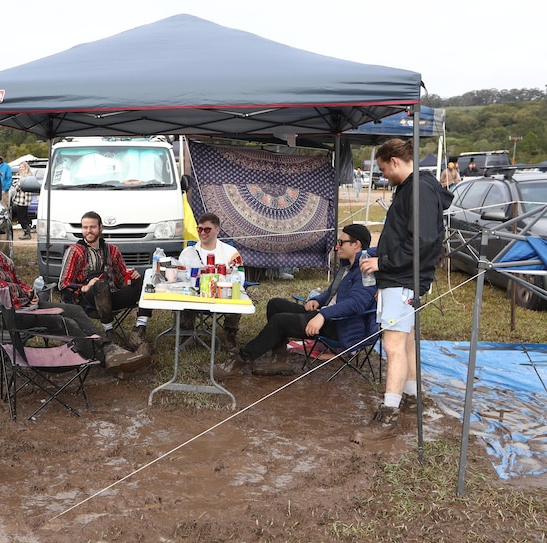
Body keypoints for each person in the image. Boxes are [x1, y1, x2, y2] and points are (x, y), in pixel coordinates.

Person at [0, 219, 150, 372]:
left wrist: (30, 294)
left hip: (24, 307)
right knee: (64, 321)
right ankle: (106, 357)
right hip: (3, 315)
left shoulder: (2, 259)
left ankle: (107, 348)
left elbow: (18, 282)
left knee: (74, 310)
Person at [355, 138, 453, 443]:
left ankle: (388, 416)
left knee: (394, 347)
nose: (384, 177)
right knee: (406, 342)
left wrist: (382, 263)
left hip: (403, 279)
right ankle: (412, 398)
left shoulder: (419, 189)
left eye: (384, 170)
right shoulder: (412, 188)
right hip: (398, 279)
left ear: (395, 161)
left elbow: (422, 241)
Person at [214, 224, 377, 378]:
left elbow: (357, 303)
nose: (337, 246)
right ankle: (279, 359)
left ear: (356, 244)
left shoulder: (365, 271)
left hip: (340, 324)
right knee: (275, 304)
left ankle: (238, 362)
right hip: (327, 315)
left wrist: (322, 315)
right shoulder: (347, 267)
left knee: (281, 321)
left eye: (342, 242)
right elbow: (332, 292)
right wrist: (318, 301)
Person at [58, 211, 151, 351]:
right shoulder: (75, 251)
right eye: (85, 227)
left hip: (113, 297)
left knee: (147, 278)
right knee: (100, 284)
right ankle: (109, 330)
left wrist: (132, 277)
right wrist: (84, 287)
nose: (88, 231)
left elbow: (121, 281)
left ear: (101, 228)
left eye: (92, 227)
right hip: (88, 300)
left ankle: (139, 330)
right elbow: (63, 283)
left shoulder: (112, 250)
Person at [177, 212, 243, 350]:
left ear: (217, 230)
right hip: (194, 295)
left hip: (222, 296)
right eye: (199, 229)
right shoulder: (187, 252)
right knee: (183, 297)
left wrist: (224, 278)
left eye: (207, 229)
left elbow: (240, 279)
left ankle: (229, 335)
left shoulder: (231, 252)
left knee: (238, 297)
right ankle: (187, 334)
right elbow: (180, 278)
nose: (203, 233)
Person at [11, 161, 34, 240]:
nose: (21, 169)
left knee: (21, 218)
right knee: (24, 216)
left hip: (23, 200)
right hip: (23, 199)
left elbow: (18, 187)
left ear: (26, 167)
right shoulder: (27, 176)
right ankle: (27, 231)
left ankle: (27, 232)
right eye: (20, 167)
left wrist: (17, 185)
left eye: (22, 167)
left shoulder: (25, 177)